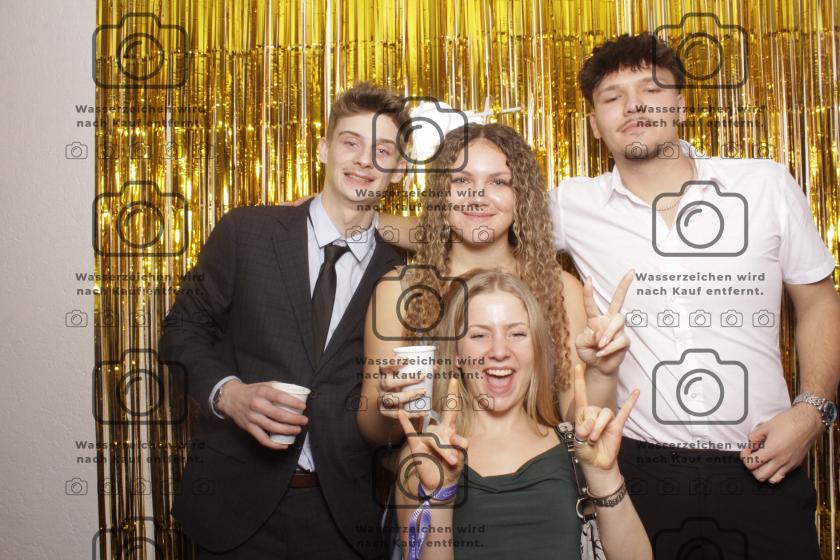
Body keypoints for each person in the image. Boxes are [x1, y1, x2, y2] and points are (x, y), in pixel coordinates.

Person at [547, 32, 840, 559]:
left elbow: (819, 302)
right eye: (613, 97)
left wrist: (812, 411)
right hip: (639, 473)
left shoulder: (764, 185)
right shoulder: (572, 205)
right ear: (594, 123)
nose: (633, 105)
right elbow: (481, 227)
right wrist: (379, 225)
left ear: (681, 105)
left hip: (762, 463)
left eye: (650, 90)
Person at [159, 82, 411, 558]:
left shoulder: (398, 274)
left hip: (341, 520)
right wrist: (228, 394)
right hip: (233, 509)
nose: (364, 160)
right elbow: (181, 330)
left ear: (398, 170)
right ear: (323, 149)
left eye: (382, 151)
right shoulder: (246, 232)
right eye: (351, 142)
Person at [358, 122, 634, 454]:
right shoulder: (399, 289)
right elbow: (375, 434)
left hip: (539, 475)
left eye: (498, 182)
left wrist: (603, 371)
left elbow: (581, 421)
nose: (477, 197)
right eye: (461, 181)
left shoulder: (560, 289)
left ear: (522, 196)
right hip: (433, 477)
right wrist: (389, 407)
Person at [393, 269, 651, 559]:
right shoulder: (426, 453)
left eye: (516, 333)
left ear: (537, 348)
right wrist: (440, 496)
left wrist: (605, 476)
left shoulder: (578, 450)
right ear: (455, 355)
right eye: (479, 335)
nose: (499, 351)